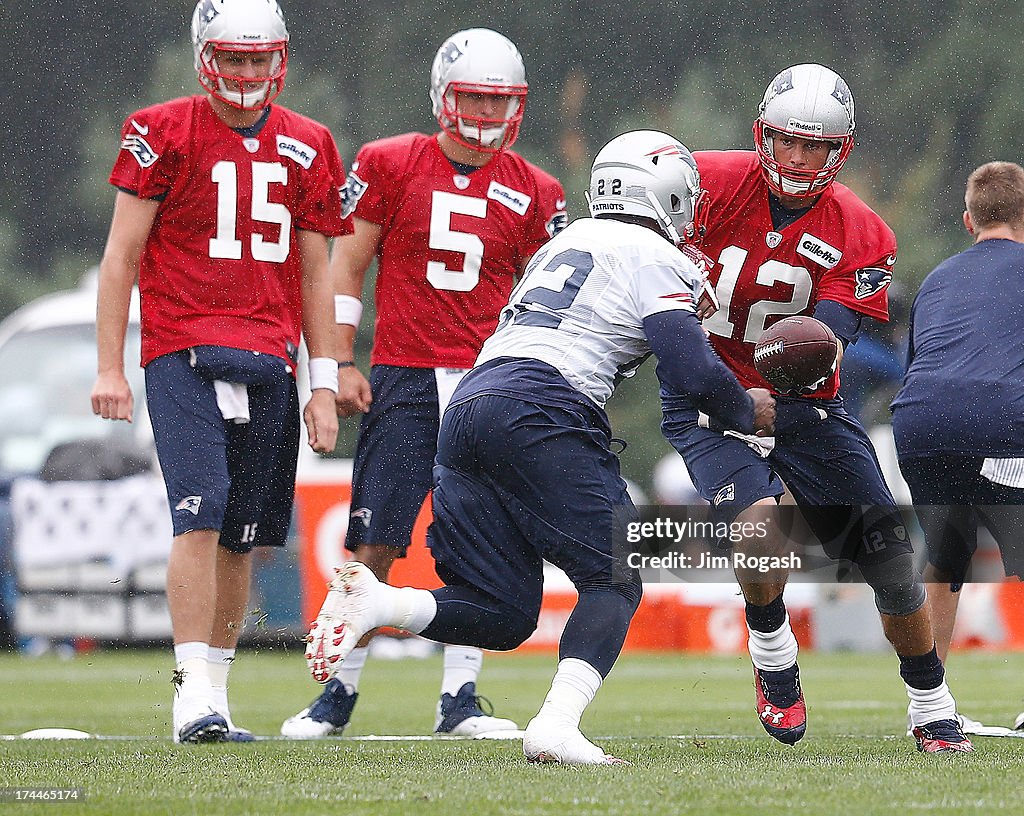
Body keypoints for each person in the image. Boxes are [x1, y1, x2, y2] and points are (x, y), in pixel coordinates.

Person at [303, 129, 776, 764]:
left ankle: (377, 600)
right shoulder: (652, 254)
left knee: (501, 611)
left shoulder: (568, 240)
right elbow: (692, 373)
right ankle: (556, 724)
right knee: (615, 572)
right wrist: (748, 409)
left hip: (473, 403)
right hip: (543, 403)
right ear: (664, 195)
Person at [661, 63, 973, 752]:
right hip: (709, 395)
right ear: (761, 135)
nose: (798, 158)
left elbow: (820, 341)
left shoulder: (863, 232)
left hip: (807, 405)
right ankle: (773, 657)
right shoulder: (700, 183)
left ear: (842, 151)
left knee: (889, 558)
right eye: (786, 141)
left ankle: (931, 702)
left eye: (816, 146)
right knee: (759, 529)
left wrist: (777, 391)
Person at [281, 28, 567, 739]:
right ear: (443, 94)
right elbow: (347, 267)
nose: (482, 112)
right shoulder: (390, 162)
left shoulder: (538, 191)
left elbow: (551, 299)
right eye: (471, 96)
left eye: (496, 100)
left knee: (481, 540)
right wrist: (342, 361)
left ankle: (460, 697)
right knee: (375, 536)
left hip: (491, 381)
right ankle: (336, 695)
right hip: (406, 371)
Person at [91, 0, 345, 743]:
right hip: (182, 346)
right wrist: (110, 366)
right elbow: (120, 258)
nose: (245, 72)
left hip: (270, 354)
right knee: (198, 517)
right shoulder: (162, 130)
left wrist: (323, 382)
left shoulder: (309, 143)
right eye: (232, 58)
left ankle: (216, 697)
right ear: (205, 59)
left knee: (245, 534)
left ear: (280, 60)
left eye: (256, 58)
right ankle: (187, 689)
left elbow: (315, 277)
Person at [891, 160, 1024, 732]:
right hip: (996, 419)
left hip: (919, 425)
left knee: (945, 557)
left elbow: (922, 362)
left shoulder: (938, 277)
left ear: (968, 219)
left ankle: (930, 709)